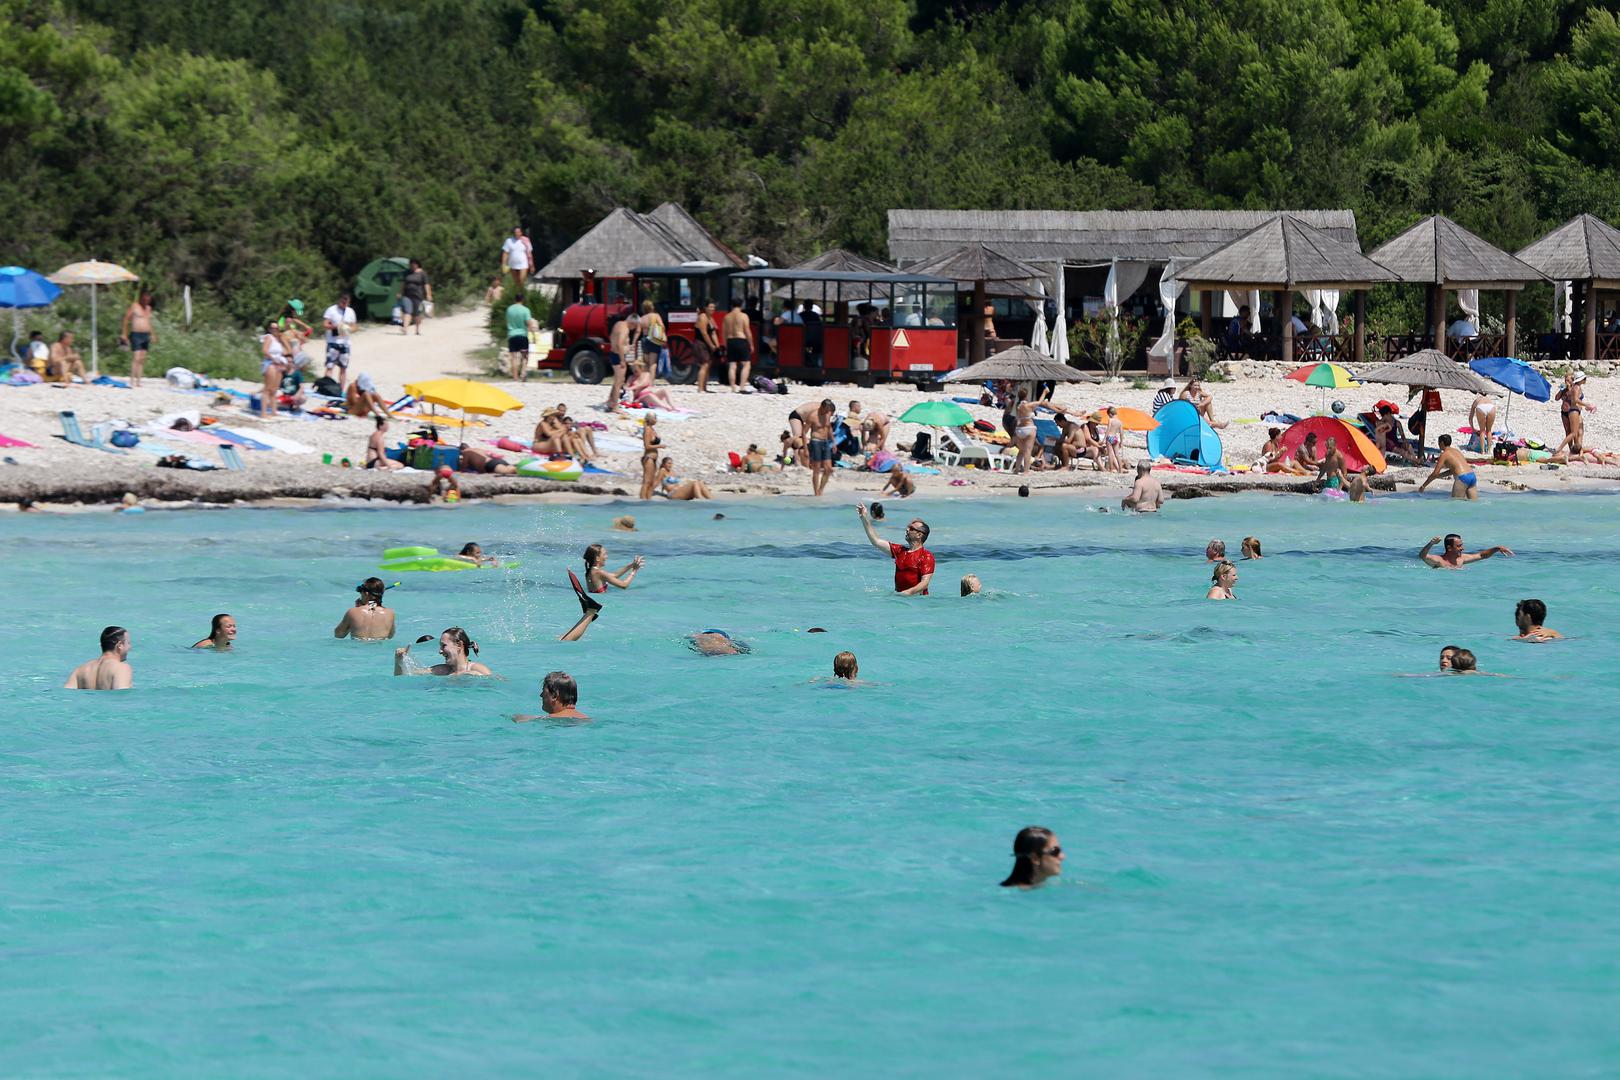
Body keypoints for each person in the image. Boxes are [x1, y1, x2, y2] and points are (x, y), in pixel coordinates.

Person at [855, 503, 934, 595]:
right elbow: (876, 541)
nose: (907, 529)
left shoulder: (926, 556)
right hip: (901, 598)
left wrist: (907, 593)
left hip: (917, 600)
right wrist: (864, 518)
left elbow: (925, 583)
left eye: (911, 528)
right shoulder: (900, 551)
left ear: (919, 535)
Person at [394, 626, 492, 676]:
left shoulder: (477, 670)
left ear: (459, 645)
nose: (440, 651)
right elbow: (403, 676)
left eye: (444, 646)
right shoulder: (441, 670)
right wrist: (398, 660)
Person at [64, 626, 133, 690]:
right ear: (120, 645)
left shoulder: (79, 671)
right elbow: (121, 698)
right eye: (128, 643)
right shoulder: (121, 668)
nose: (130, 647)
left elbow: (66, 695)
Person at [1418, 434, 1477, 500]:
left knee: (1456, 503)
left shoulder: (1444, 455)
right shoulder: (1457, 451)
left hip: (1462, 478)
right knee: (1473, 503)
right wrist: (1439, 476)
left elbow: (1435, 473)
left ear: (1442, 443)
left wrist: (1423, 486)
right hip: (1472, 475)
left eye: (1438, 442)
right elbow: (1453, 470)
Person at [514, 671, 589, 722]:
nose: (541, 695)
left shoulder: (550, 719)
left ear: (554, 695)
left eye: (543, 691)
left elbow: (519, 719)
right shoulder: (586, 719)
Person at [322, 293, 357, 392]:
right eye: (343, 302)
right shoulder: (331, 310)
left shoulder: (350, 311)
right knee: (330, 366)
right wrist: (336, 327)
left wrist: (348, 329)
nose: (344, 304)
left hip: (345, 343)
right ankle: (326, 388)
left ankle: (341, 390)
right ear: (339, 300)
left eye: (346, 303)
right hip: (333, 342)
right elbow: (325, 324)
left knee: (343, 368)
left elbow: (355, 326)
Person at [1418, 533, 1514, 569]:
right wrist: (1431, 543)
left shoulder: (1462, 559)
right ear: (1450, 548)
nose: (1463, 548)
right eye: (1459, 546)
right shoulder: (1439, 561)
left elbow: (1482, 555)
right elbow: (1422, 556)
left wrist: (1497, 548)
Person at [119, 291, 156, 386]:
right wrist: (124, 333)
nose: (146, 301)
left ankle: (138, 381)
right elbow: (126, 319)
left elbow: (148, 322)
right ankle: (132, 380)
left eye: (148, 300)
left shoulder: (148, 308)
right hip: (136, 334)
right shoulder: (134, 306)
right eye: (145, 299)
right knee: (136, 357)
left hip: (146, 334)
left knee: (142, 358)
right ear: (141, 298)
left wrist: (153, 334)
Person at [608, 313, 639, 412]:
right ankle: (615, 406)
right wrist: (622, 360)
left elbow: (612, 337)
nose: (633, 329)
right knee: (619, 382)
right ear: (632, 323)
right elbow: (620, 344)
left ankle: (610, 401)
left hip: (613, 353)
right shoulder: (625, 329)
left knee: (617, 380)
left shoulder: (618, 324)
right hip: (618, 356)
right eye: (634, 326)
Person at [806, 398, 837, 496]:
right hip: (815, 441)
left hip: (825, 442)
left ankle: (821, 490)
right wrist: (806, 448)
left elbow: (829, 427)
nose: (828, 412)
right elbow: (804, 432)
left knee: (828, 469)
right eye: (826, 409)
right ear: (821, 407)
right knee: (817, 468)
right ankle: (816, 493)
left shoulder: (827, 414)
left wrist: (834, 442)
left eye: (829, 410)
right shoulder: (812, 416)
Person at [723, 299, 752, 392]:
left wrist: (725, 344)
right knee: (746, 364)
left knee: (732, 365)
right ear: (741, 305)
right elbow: (747, 331)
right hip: (741, 340)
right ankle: (742, 386)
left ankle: (733, 387)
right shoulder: (744, 316)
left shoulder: (727, 317)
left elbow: (724, 333)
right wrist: (751, 344)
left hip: (730, 340)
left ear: (731, 305)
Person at [399, 259, 431, 334]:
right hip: (407, 295)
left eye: (414, 264)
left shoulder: (422, 273)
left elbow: (426, 284)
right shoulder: (406, 272)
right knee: (408, 311)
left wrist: (428, 294)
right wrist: (400, 292)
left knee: (416, 314)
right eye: (411, 264)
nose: (412, 266)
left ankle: (417, 329)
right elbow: (403, 283)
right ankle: (405, 329)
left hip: (418, 296)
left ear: (417, 265)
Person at [505, 295, 532, 381]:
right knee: (525, 356)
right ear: (522, 299)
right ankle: (523, 374)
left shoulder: (509, 309)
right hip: (522, 335)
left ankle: (515, 377)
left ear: (515, 299)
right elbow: (528, 323)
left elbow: (507, 321)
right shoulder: (525, 310)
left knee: (513, 358)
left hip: (512, 335)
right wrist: (531, 332)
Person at [694, 300, 719, 392]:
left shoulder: (711, 318)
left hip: (707, 343)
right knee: (704, 364)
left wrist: (717, 345)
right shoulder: (703, 317)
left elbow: (713, 333)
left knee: (708, 365)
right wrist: (711, 345)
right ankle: (700, 388)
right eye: (710, 307)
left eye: (713, 307)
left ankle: (705, 387)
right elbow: (704, 333)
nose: (712, 309)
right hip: (700, 343)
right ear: (706, 308)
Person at [638, 300, 667, 377]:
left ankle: (645, 381)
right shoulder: (656, 316)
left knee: (646, 362)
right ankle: (651, 382)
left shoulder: (642, 318)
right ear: (651, 307)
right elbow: (662, 326)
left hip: (644, 339)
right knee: (653, 363)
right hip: (653, 339)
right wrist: (663, 337)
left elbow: (638, 331)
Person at [637, 413, 662, 500]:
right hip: (649, 458)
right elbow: (647, 446)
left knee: (651, 482)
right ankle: (642, 499)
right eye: (655, 418)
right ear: (650, 419)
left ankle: (648, 499)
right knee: (647, 481)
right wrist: (660, 446)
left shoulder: (652, 429)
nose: (656, 420)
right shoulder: (647, 430)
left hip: (653, 458)